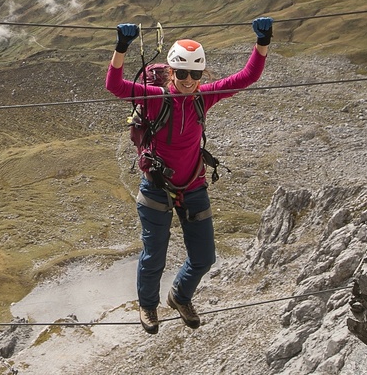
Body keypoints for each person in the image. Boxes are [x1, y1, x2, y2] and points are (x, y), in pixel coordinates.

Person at [105, 17, 273, 334]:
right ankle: (148, 306)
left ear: (201, 75)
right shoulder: (154, 98)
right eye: (181, 73)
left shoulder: (203, 97)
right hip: (156, 187)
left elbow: (247, 76)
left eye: (195, 74)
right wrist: (121, 48)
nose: (188, 80)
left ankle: (180, 296)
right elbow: (114, 86)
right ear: (171, 72)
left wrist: (263, 42)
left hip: (193, 187)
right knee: (154, 256)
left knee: (204, 257)